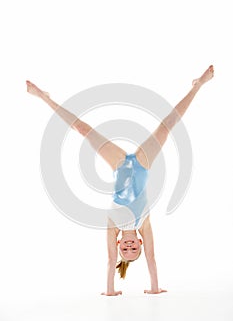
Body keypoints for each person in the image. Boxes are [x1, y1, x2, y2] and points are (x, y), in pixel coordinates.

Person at [26, 65, 214, 296]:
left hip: (120, 166)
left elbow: (109, 260)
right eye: (133, 248)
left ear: (119, 246)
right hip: (142, 165)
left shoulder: (113, 228)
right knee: (167, 126)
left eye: (126, 250)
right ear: (139, 244)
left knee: (82, 129)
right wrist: (154, 289)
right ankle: (198, 85)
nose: (129, 246)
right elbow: (152, 259)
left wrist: (110, 291)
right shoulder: (142, 224)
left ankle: (44, 97)